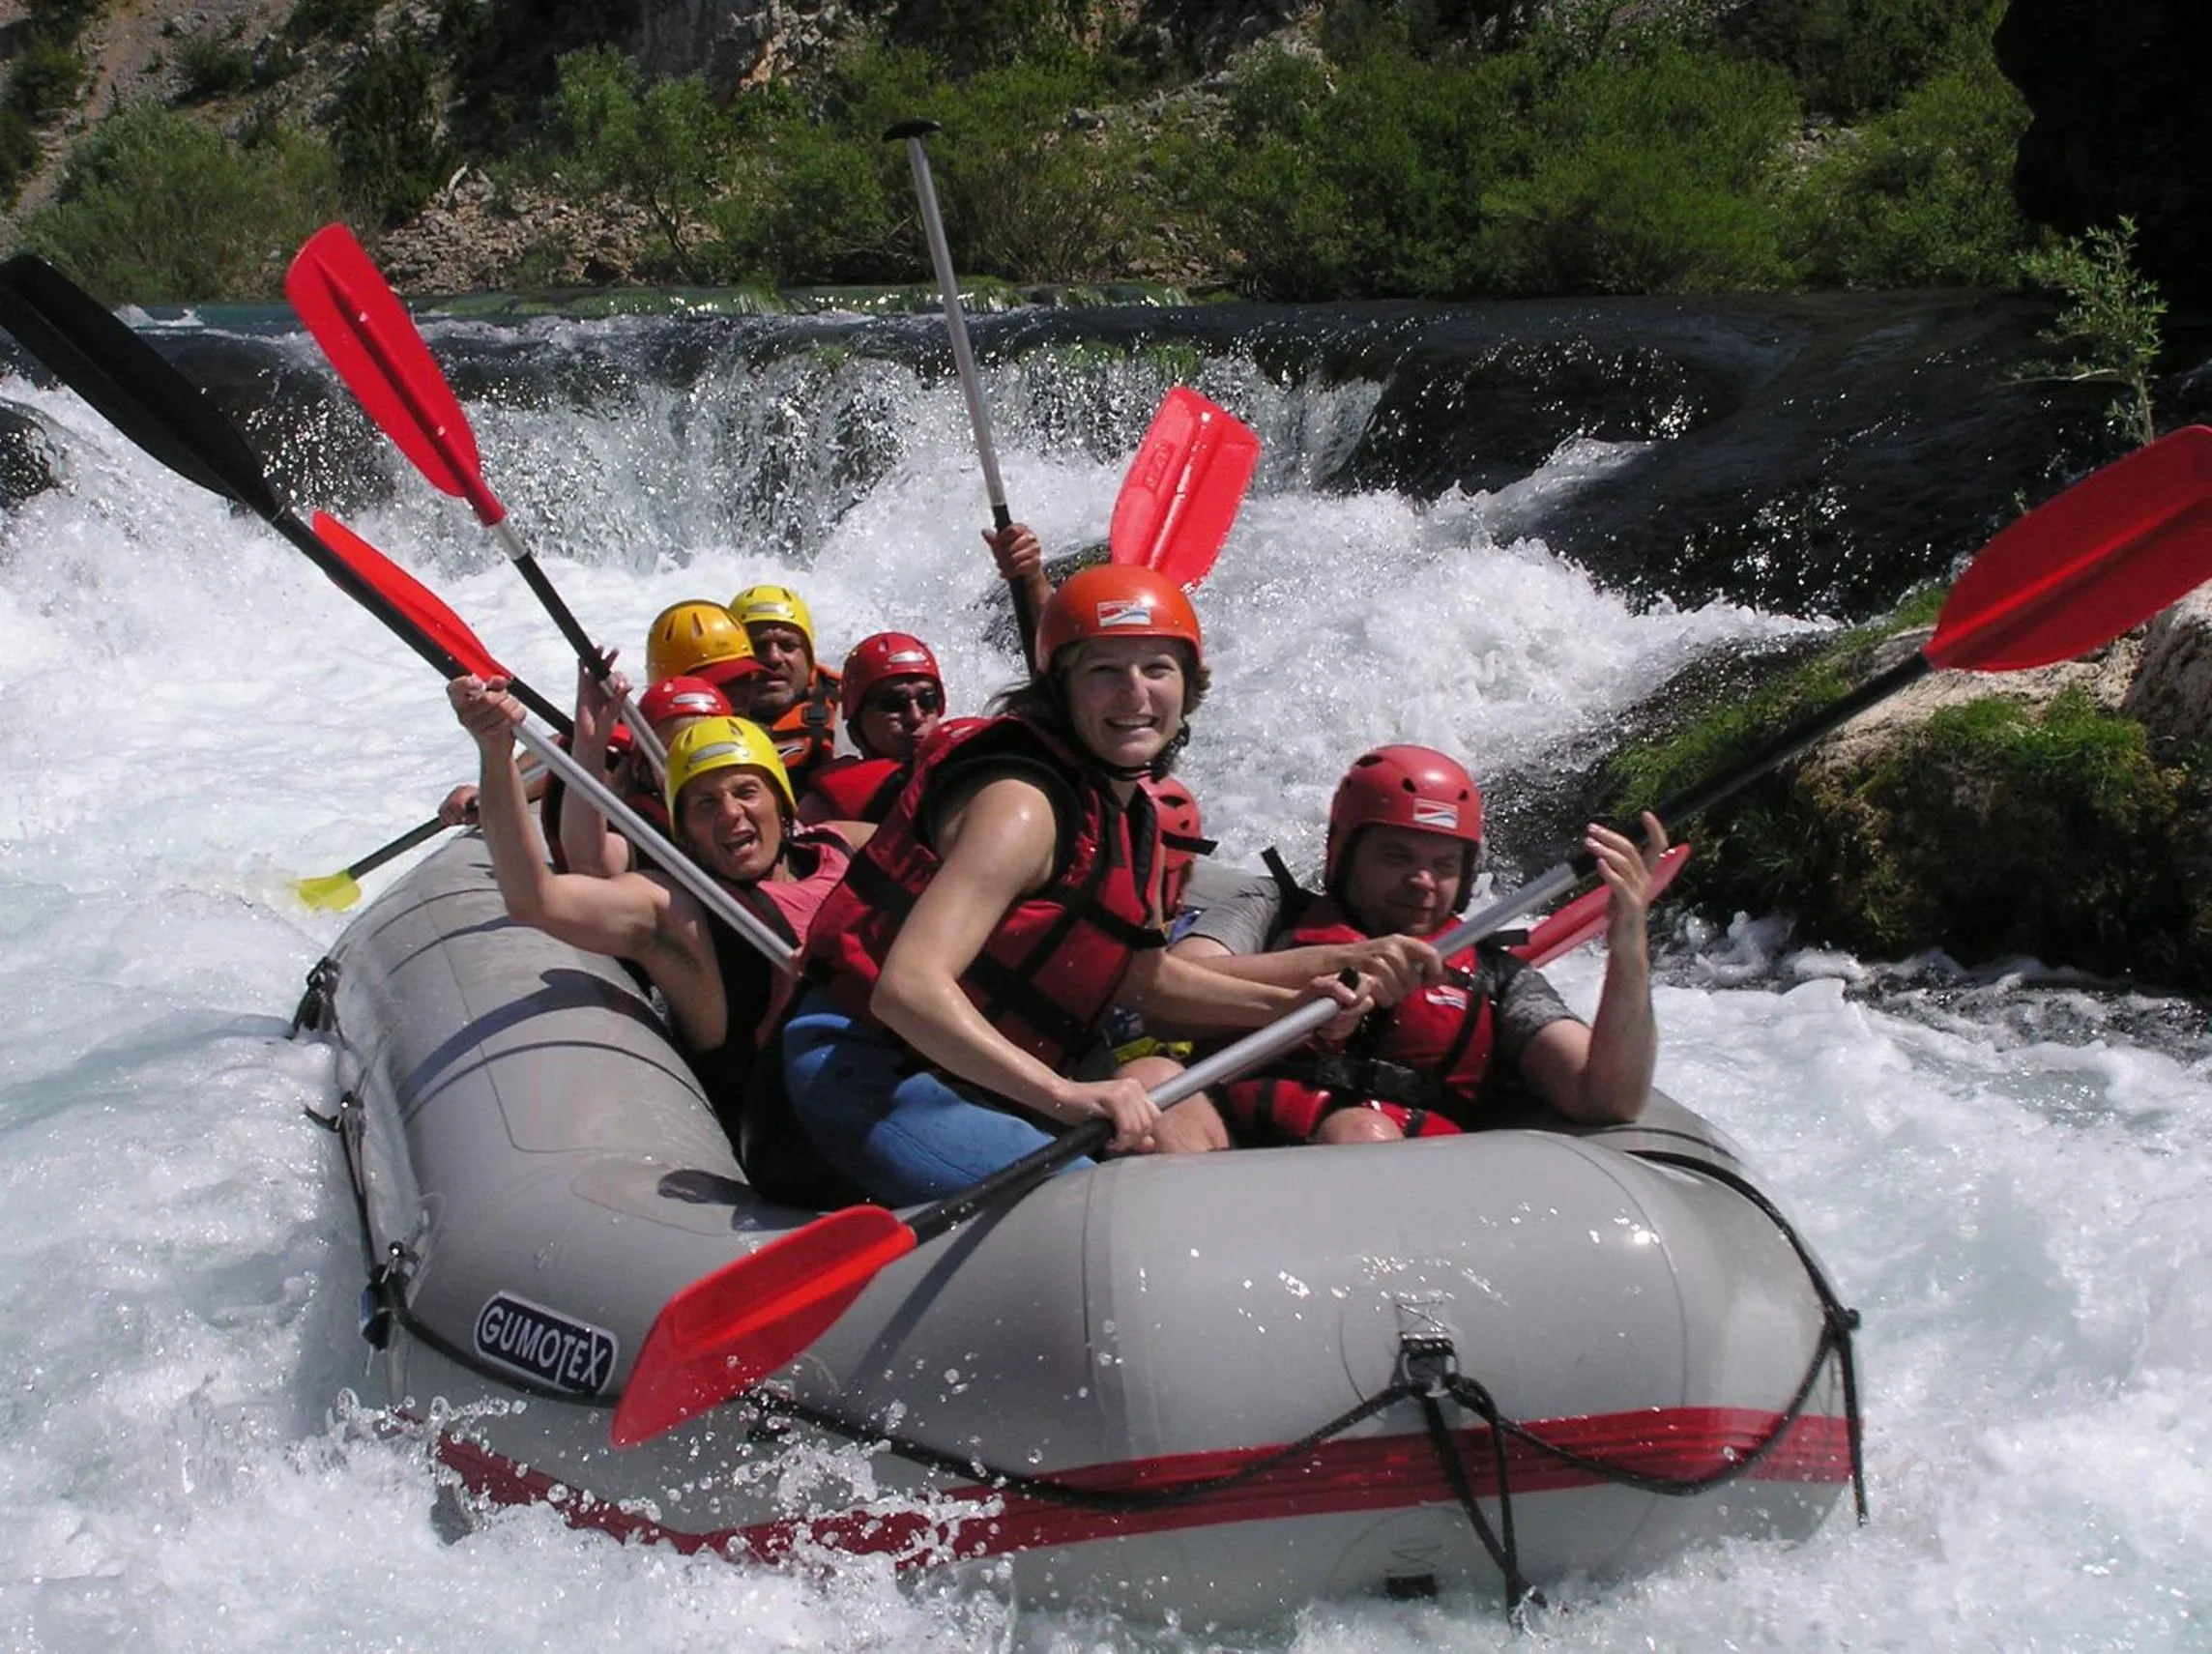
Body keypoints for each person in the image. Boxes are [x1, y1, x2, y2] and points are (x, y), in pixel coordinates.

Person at [778, 564, 1374, 1204]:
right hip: (874, 1070)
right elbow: (907, 988)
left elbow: (1148, 983)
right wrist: (1067, 1097)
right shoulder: (1023, 808)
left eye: (1157, 668)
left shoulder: (1131, 816)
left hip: (970, 1076)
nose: (1134, 694)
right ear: (1059, 689)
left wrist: (1303, 1002)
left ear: (1189, 688)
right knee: (1101, 1207)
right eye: (1104, 671)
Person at [447, 677, 864, 1166]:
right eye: (705, 803)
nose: (730, 814)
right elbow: (535, 899)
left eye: (746, 791)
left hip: (908, 1071)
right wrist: (496, 752)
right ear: (682, 831)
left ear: (781, 801)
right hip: (811, 1144)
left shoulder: (838, 846)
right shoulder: (676, 911)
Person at [1176, 745, 1665, 1145]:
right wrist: (1336, 963)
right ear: (1342, 854)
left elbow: (1606, 1097)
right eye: (1397, 857)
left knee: (1359, 1133)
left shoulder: (1498, 979)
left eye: (1445, 865)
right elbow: (1174, 986)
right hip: (1224, 1153)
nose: (1423, 882)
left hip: (1379, 1173)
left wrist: (1627, 942)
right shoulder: (1272, 911)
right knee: (1155, 1078)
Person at [558, 669, 733, 878]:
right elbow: (590, 864)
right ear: (644, 769)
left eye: (710, 748)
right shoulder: (641, 832)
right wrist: (590, 747)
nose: (698, 764)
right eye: (679, 753)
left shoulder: (752, 800)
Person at [800, 631, 947, 826]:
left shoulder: (969, 770)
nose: (915, 717)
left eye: (927, 700)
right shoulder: (821, 808)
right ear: (857, 717)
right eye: (894, 703)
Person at [729, 584, 840, 792]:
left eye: (788, 646)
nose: (773, 658)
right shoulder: (703, 716)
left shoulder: (849, 709)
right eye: (757, 647)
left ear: (809, 659)